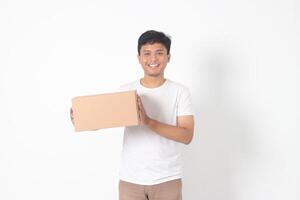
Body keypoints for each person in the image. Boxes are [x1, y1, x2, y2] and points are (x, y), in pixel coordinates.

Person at [71, 30, 194, 200]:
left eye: (159, 53)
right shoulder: (127, 91)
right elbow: (105, 118)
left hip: (167, 179)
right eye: (147, 54)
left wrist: (148, 121)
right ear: (139, 58)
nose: (153, 59)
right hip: (131, 180)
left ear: (168, 57)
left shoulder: (180, 92)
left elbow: (186, 135)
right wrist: (81, 118)